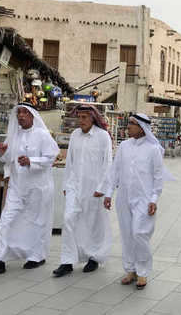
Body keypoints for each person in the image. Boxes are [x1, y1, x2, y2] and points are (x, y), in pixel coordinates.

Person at [0, 103, 59, 276]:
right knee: (5, 221)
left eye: (25, 112)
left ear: (32, 115)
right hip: (17, 187)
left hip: (38, 187)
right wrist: (2, 152)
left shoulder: (42, 135)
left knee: (37, 221)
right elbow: (8, 159)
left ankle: (37, 256)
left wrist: (31, 161)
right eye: (19, 113)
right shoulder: (14, 135)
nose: (21, 116)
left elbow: (52, 156)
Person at [103, 113, 171, 290]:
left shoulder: (153, 149)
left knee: (139, 233)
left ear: (142, 128)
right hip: (124, 197)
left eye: (131, 125)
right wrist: (108, 193)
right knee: (126, 235)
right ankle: (130, 270)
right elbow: (115, 172)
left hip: (144, 198)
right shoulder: (124, 146)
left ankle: (143, 272)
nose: (128, 128)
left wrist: (154, 198)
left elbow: (158, 177)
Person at [53, 106, 113, 277]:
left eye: (85, 117)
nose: (81, 120)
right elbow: (70, 161)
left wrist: (102, 187)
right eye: (79, 117)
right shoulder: (75, 135)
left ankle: (93, 257)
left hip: (94, 188)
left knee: (93, 223)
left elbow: (107, 163)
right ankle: (67, 261)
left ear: (93, 118)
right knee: (68, 219)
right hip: (74, 186)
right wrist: (66, 185)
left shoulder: (103, 137)